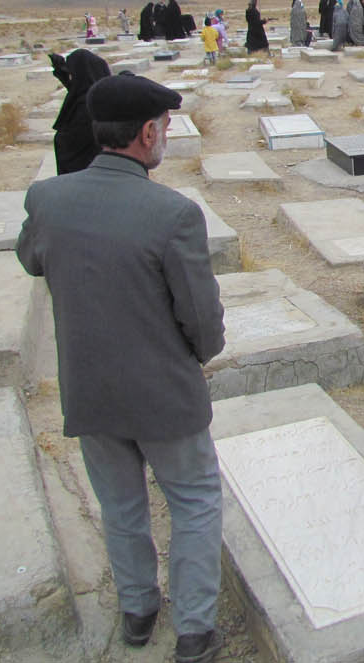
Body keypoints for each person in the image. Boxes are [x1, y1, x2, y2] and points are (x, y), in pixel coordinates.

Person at [16, 74, 226, 663]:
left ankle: (137, 612)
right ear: (147, 134)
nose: (166, 136)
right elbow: (201, 321)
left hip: (91, 390)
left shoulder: (48, 199)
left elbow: (31, 258)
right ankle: (194, 630)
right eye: (164, 127)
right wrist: (201, 353)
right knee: (194, 501)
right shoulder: (174, 214)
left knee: (121, 505)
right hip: (165, 395)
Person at [48, 48, 111, 175]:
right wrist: (61, 71)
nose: (71, 77)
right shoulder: (98, 93)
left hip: (84, 170)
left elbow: (73, 143)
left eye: (72, 73)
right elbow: (75, 86)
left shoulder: (86, 106)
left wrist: (60, 138)